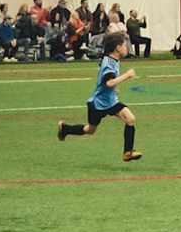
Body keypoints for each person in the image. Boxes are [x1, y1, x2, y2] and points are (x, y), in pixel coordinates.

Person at [55, 31, 141, 161]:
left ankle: (127, 152)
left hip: (111, 101)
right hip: (98, 104)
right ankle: (65, 129)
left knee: (130, 119)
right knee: (90, 130)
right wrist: (127, 75)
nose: (126, 48)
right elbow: (109, 82)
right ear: (118, 48)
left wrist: (113, 90)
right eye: (124, 45)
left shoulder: (111, 60)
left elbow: (106, 81)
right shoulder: (109, 63)